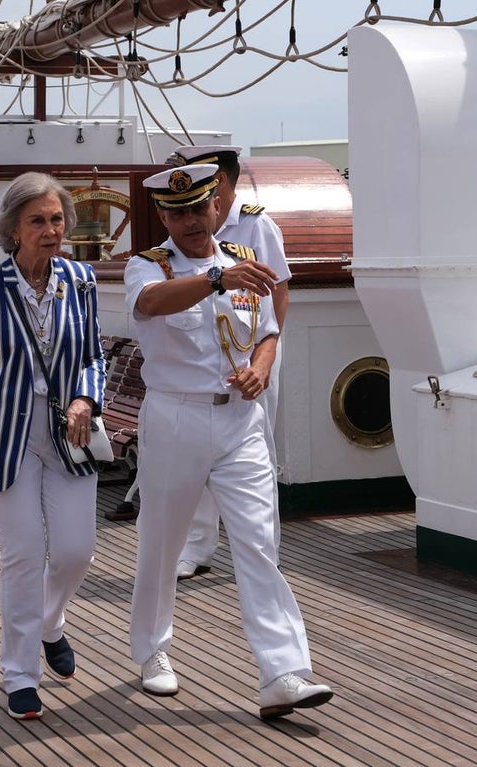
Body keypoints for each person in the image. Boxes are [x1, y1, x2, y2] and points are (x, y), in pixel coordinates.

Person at [125, 163, 333, 719]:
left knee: (260, 543)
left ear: (218, 206)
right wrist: (214, 281)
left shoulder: (244, 265)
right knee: (162, 544)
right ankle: (152, 651)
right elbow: (149, 305)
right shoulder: (149, 267)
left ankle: (283, 672)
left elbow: (267, 331)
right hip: (176, 419)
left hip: (240, 423)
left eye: (200, 208)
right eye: (178, 212)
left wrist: (261, 367)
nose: (192, 221)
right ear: (164, 217)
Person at [0, 172, 106, 721]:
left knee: (76, 551)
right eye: (38, 220)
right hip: (3, 436)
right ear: (12, 229)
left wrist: (86, 397)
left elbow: (92, 357)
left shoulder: (80, 280)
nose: (51, 229)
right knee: (23, 556)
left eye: (57, 219)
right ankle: (18, 673)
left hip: (68, 432)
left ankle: (50, 622)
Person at [164, 145, 291, 580]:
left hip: (253, 354)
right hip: (207, 363)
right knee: (201, 460)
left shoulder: (257, 225)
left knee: (258, 453)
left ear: (220, 182)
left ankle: (261, 550)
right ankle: (199, 547)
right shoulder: (182, 238)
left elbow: (279, 291)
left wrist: (261, 360)